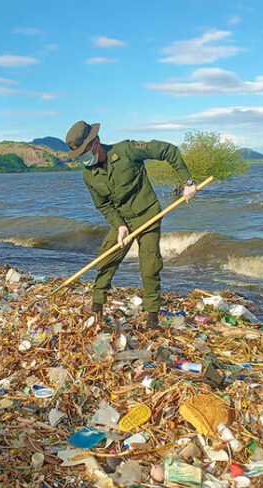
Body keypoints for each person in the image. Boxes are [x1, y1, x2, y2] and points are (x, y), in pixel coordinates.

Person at [65, 120, 198, 330]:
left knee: (150, 266)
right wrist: (119, 226)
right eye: (79, 154)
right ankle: (96, 307)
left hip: (147, 216)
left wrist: (187, 182)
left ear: (96, 142)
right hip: (123, 222)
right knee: (106, 259)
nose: (83, 158)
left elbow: (168, 150)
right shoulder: (88, 175)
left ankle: (152, 316)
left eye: (84, 152)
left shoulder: (126, 151)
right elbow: (104, 205)